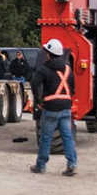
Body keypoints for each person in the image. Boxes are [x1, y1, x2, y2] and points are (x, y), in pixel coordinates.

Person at [30, 38, 77, 176]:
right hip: (66, 107)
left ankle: (41, 165)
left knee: (46, 138)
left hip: (50, 108)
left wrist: (38, 100)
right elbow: (72, 88)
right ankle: (72, 164)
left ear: (48, 54)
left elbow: (34, 83)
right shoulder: (68, 69)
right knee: (67, 137)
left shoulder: (44, 69)